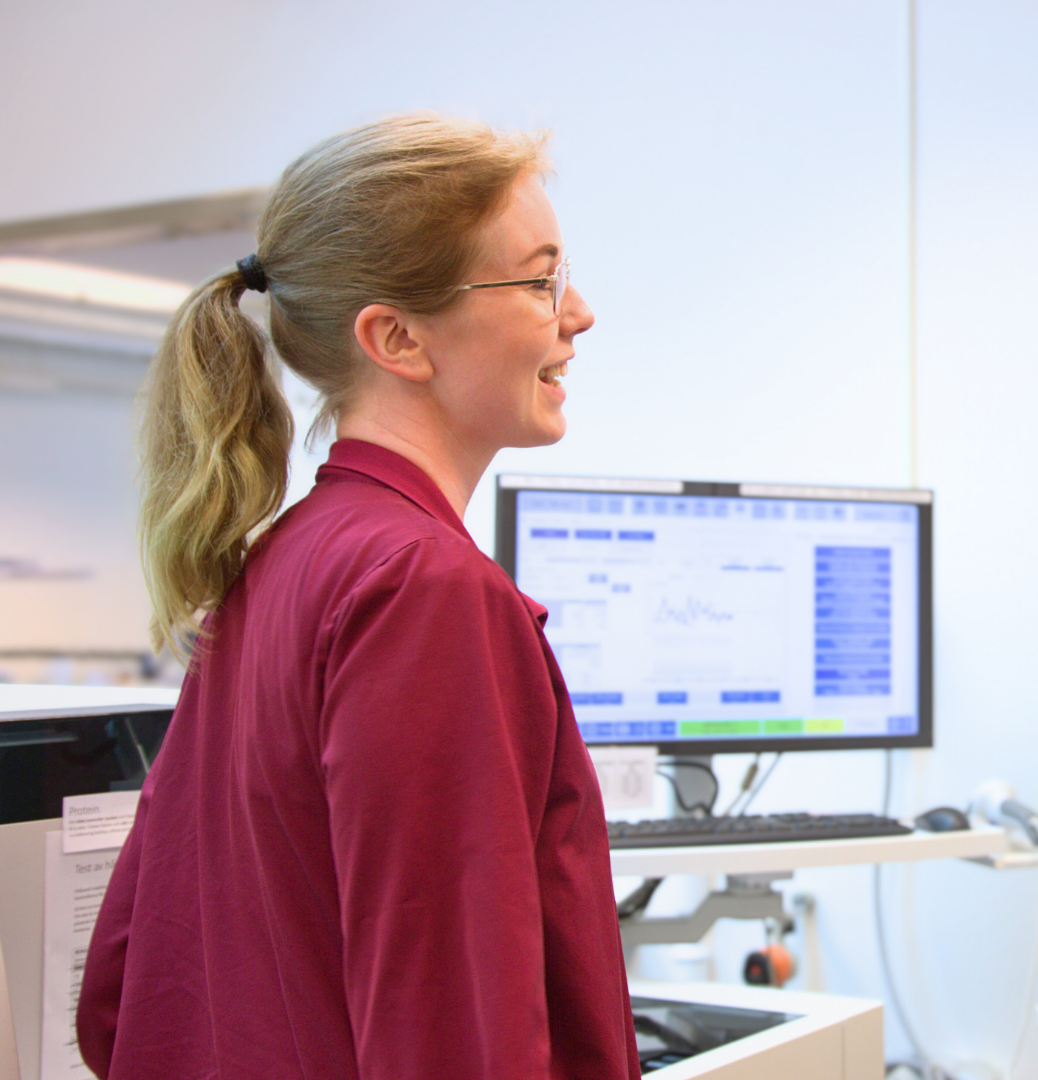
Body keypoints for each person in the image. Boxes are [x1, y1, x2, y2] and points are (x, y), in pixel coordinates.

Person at [76, 114, 643, 1079]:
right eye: (540, 279)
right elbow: (455, 1042)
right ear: (397, 338)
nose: (578, 312)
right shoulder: (424, 593)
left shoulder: (283, 566)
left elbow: (121, 995)